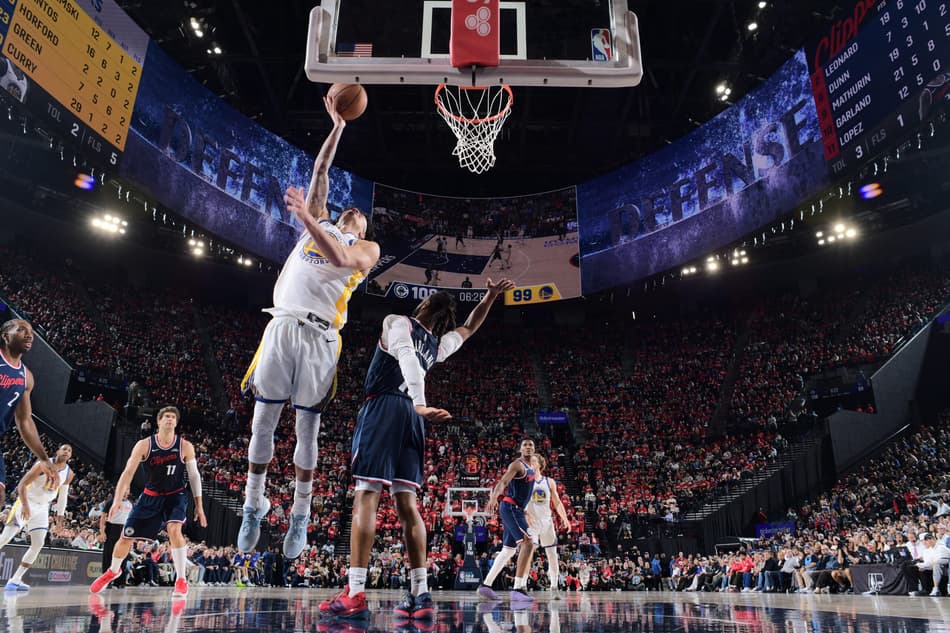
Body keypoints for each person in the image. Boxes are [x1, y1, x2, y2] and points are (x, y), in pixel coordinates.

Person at [318, 278, 514, 621]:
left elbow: (406, 356)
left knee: (366, 495)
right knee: (408, 505)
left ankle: (356, 591)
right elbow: (468, 329)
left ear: (423, 306)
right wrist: (490, 297)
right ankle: (421, 594)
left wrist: (420, 401)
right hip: (412, 420)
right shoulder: (436, 346)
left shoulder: (398, 322)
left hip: (387, 408)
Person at [238, 93, 380, 559]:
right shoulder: (316, 220)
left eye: (361, 214)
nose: (354, 211)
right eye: (350, 209)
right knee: (262, 421)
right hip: (281, 325)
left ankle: (300, 514)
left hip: (321, 337)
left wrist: (305, 218)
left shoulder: (366, 249)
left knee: (305, 431)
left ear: (361, 226)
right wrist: (338, 126)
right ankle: (252, 505)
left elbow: (339, 257)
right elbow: (320, 172)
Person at [90, 406, 207, 596]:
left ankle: (181, 580)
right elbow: (128, 472)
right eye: (166, 416)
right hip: (150, 496)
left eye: (173, 417)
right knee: (125, 537)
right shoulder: (144, 444)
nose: (170, 419)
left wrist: (199, 506)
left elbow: (194, 476)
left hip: (175, 496)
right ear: (158, 422)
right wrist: (118, 499)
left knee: (174, 529)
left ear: (176, 423)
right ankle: (113, 571)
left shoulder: (185, 446)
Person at [0, 444, 74, 591]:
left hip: (42, 508)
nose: (67, 452)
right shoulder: (43, 464)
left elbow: (63, 496)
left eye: (70, 451)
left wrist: (59, 519)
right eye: (64, 449)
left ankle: (15, 579)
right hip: (26, 502)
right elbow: (22, 484)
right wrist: (26, 505)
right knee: (5, 537)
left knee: (38, 544)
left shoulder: (69, 473)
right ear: (58, 451)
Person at [0, 319, 58, 506]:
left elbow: (24, 421)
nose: (29, 335)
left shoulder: (26, 377)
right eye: (22, 330)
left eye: (31, 332)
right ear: (5, 336)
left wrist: (43, 458)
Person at [477, 438, 538, 603]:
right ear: (520, 449)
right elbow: (503, 481)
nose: (527, 447)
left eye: (530, 445)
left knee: (509, 550)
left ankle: (486, 585)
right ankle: (518, 588)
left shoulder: (531, 467)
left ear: (534, 449)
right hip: (510, 508)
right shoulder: (517, 465)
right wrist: (493, 498)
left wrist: (526, 511)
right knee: (529, 542)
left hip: (518, 509)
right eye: (524, 444)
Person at [525, 454, 570, 599]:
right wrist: (525, 515)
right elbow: (521, 502)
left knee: (552, 555)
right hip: (532, 522)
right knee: (527, 554)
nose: (530, 463)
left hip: (546, 521)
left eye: (532, 461)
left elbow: (557, 502)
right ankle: (521, 585)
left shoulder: (549, 482)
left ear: (539, 464)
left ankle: (554, 586)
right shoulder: (526, 481)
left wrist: (565, 519)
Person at [99, 493, 134, 588]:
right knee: (108, 555)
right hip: (112, 528)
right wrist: (102, 532)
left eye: (128, 490)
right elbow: (103, 517)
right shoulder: (111, 502)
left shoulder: (130, 504)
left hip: (124, 529)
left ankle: (120, 581)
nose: (126, 492)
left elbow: (132, 520)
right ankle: (106, 581)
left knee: (123, 556)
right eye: (124, 489)